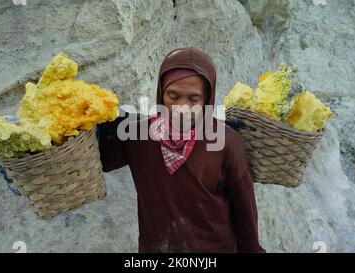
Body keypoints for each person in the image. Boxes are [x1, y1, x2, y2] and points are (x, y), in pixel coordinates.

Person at [97, 47, 265, 253]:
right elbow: (99, 159)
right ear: (161, 94)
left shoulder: (227, 142)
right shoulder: (136, 135)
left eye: (193, 99)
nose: (181, 108)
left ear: (207, 100)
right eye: (173, 96)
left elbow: (244, 211)